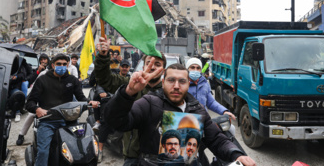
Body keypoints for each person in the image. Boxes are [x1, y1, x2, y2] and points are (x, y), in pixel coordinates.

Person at [104, 62, 256, 166]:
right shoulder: (149, 103)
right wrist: (128, 92)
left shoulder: (197, 109)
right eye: (171, 80)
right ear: (163, 82)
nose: (176, 86)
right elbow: (117, 121)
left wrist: (236, 154)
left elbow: (216, 139)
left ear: (188, 84)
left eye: (182, 81)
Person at [95, 36, 167, 165]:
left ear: (164, 70)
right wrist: (103, 56)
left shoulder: (170, 92)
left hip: (158, 157)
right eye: (149, 63)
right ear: (143, 66)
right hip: (132, 155)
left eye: (158, 64)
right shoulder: (131, 85)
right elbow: (105, 79)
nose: (152, 67)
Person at [25, 53, 99, 166]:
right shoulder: (42, 80)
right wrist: (37, 109)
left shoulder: (73, 80)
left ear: (68, 65)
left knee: (82, 149)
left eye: (64, 64)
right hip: (48, 122)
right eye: (59, 64)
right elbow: (29, 102)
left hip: (70, 121)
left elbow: (81, 98)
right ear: (53, 65)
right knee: (44, 152)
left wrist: (89, 102)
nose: (62, 66)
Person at [16, 53, 50, 145]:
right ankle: (21, 134)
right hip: (37, 94)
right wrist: (38, 71)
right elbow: (30, 80)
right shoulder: (38, 71)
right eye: (42, 59)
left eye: (45, 59)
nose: (43, 61)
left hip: (50, 97)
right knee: (31, 114)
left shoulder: (54, 73)